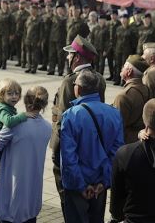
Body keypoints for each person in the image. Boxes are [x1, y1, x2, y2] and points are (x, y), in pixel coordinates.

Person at [51, 35, 106, 219]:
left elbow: (64, 120)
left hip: (72, 146)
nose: (67, 57)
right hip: (92, 145)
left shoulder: (71, 81)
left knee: (71, 202)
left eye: (70, 54)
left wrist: (55, 152)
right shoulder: (99, 78)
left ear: (76, 57)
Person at [61, 70, 124, 223]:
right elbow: (116, 152)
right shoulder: (114, 113)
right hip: (99, 186)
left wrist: (81, 186)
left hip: (77, 187)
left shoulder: (71, 115)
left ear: (79, 89)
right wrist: (104, 182)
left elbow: (69, 158)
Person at [0, 86, 52, 223]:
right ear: (44, 104)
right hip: (32, 195)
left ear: (25, 101)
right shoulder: (47, 127)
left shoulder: (15, 125)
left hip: (10, 193)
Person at [113, 55, 150, 144]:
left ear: (129, 72)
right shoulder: (146, 89)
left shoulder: (124, 96)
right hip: (141, 140)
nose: (122, 68)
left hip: (126, 143)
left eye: (124, 66)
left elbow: (117, 127)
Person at [114, 14, 138, 85]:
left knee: (125, 66)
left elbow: (134, 41)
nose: (123, 20)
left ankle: (124, 81)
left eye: (125, 19)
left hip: (127, 50)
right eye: (122, 19)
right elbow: (115, 39)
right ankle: (117, 79)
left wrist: (133, 51)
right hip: (118, 50)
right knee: (117, 65)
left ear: (127, 20)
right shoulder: (118, 28)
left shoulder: (131, 29)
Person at [0, 0, 14, 70]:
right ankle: (0, 62)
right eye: (2, 4)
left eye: (4, 4)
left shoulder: (9, 14)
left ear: (7, 5)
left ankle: (4, 63)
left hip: (6, 33)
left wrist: (11, 34)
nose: (3, 5)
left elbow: (12, 25)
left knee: (4, 48)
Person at [48, 4, 68, 76]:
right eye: (58, 9)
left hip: (61, 40)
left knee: (60, 56)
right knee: (52, 55)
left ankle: (60, 70)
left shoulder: (65, 19)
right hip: (52, 39)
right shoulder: (53, 18)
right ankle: (51, 69)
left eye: (61, 9)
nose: (59, 11)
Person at [23, 4, 43, 74]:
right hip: (28, 39)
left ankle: (34, 68)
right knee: (28, 54)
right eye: (31, 10)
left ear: (36, 11)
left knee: (35, 55)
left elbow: (41, 31)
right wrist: (25, 38)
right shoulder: (29, 18)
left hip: (35, 40)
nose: (32, 11)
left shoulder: (40, 20)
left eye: (33, 10)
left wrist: (40, 41)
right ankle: (29, 67)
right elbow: (25, 29)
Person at [13, 0, 30, 67]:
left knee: (23, 48)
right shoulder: (15, 14)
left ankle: (23, 62)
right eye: (20, 4)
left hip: (24, 33)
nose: (21, 6)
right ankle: (19, 61)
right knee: (17, 48)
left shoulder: (27, 14)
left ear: (25, 5)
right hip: (16, 33)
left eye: (23, 4)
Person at [107, 9, 120, 80]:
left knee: (117, 62)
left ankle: (116, 76)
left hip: (116, 45)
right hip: (109, 45)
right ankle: (111, 75)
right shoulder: (108, 24)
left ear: (117, 16)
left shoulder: (119, 24)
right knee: (109, 61)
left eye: (114, 15)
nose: (113, 16)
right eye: (112, 15)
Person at [39, 3, 53, 71]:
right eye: (47, 7)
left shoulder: (53, 17)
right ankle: (44, 65)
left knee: (50, 54)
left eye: (49, 7)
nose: (47, 8)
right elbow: (41, 28)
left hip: (51, 37)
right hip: (44, 37)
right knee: (44, 52)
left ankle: (50, 67)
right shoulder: (43, 16)